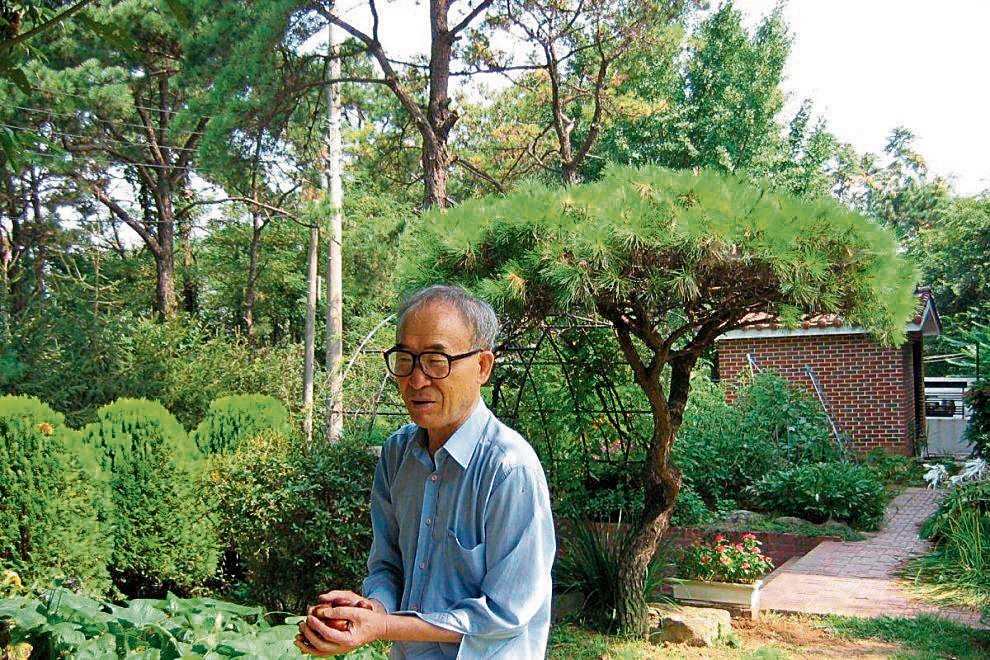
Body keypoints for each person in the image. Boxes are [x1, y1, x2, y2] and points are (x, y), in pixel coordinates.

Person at [296, 285, 556, 659]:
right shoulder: (397, 454)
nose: (416, 380)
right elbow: (387, 566)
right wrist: (371, 610)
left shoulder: (508, 468)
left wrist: (386, 626)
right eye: (406, 359)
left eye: (436, 360)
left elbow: (506, 614)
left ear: (482, 366)